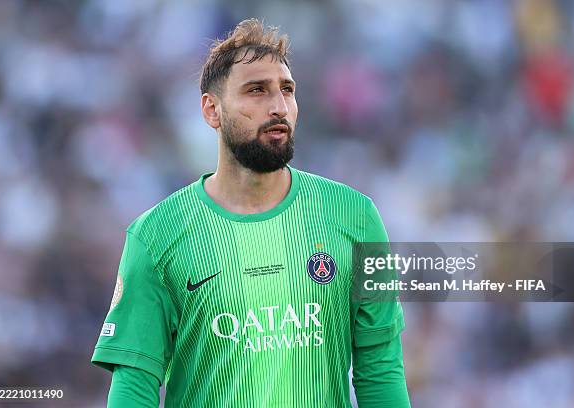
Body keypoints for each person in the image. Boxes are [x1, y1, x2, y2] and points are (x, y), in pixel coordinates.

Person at [91, 18, 410, 408]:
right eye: (256, 91)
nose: (278, 106)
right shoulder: (156, 235)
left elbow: (380, 368)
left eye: (287, 90)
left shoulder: (355, 217)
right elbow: (134, 387)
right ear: (212, 110)